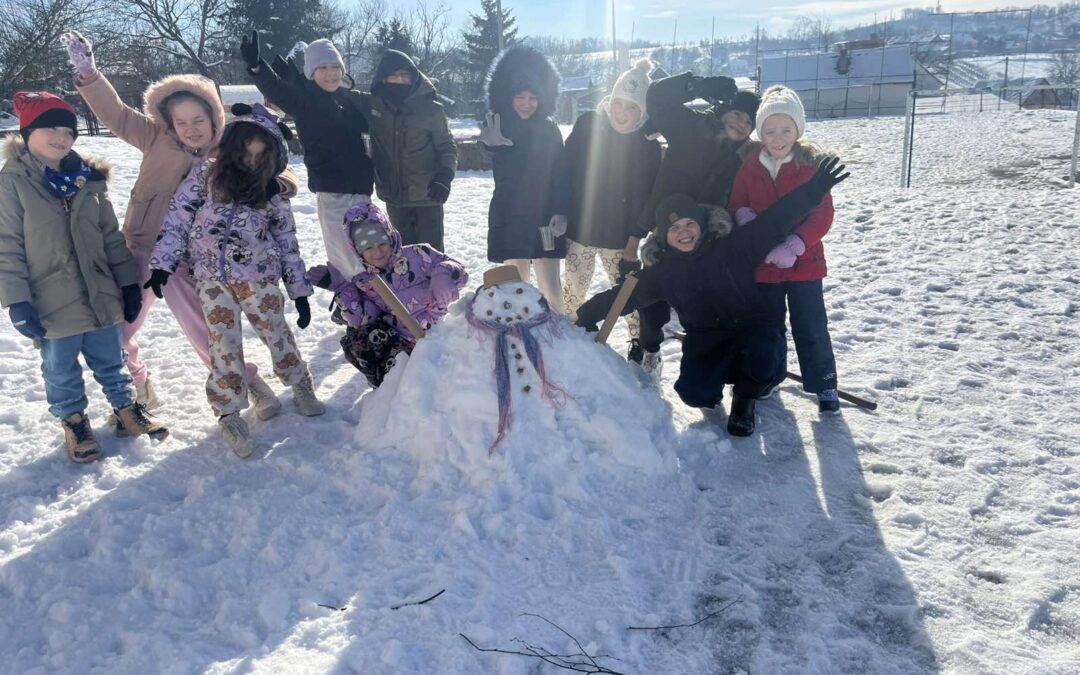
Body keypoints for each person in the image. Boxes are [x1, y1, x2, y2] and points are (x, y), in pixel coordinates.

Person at [63, 30, 299, 418]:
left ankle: (247, 380)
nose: (191, 128)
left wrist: (279, 183)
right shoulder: (154, 138)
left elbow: (268, 163)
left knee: (206, 330)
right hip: (141, 246)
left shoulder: (225, 152)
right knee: (120, 324)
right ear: (168, 122)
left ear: (214, 119)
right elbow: (116, 112)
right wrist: (89, 73)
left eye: (199, 120)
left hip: (190, 260)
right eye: (181, 121)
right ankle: (138, 383)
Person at [575, 159, 848, 437]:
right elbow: (623, 297)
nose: (684, 232)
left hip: (753, 331)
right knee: (693, 393)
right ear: (663, 236)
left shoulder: (734, 246)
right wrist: (584, 315)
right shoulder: (663, 272)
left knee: (766, 360)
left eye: (689, 223)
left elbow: (776, 220)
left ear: (702, 224)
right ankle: (717, 391)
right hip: (707, 339)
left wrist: (813, 190)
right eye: (675, 228)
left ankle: (745, 399)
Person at [0, 92, 168, 462]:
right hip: (50, 298)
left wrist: (127, 282)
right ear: (28, 131)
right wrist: (17, 299)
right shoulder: (12, 183)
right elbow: (6, 247)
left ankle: (126, 410)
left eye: (69, 130)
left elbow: (110, 236)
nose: (62, 137)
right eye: (51, 128)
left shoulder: (88, 180)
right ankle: (74, 421)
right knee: (60, 368)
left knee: (111, 357)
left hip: (100, 292)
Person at [149, 104, 323, 458]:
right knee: (223, 346)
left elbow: (287, 241)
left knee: (276, 332)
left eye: (260, 156)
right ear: (232, 147)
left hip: (259, 278)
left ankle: (299, 382)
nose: (251, 161)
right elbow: (178, 220)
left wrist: (299, 290)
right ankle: (228, 413)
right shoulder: (205, 177)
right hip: (212, 279)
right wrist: (162, 264)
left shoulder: (271, 192)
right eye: (245, 151)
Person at [632, 71, 762, 371]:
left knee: (704, 301)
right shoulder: (690, 126)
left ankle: (713, 358)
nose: (741, 124)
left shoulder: (741, 156)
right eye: (738, 113)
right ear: (723, 110)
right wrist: (696, 85)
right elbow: (657, 99)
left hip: (707, 239)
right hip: (667, 231)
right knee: (653, 300)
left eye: (749, 122)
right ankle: (651, 347)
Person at [728, 85, 841, 414]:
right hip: (765, 265)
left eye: (786, 130)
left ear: (798, 131)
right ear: (761, 132)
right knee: (770, 325)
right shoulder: (749, 165)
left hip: (805, 264)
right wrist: (748, 222)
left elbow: (823, 213)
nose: (778, 138)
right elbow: (738, 202)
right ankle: (769, 375)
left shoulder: (811, 167)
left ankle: (824, 382)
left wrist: (796, 243)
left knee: (811, 324)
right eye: (771, 131)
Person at [240, 32, 375, 280]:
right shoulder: (306, 102)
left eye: (335, 66)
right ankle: (353, 308)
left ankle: (372, 306)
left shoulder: (348, 99)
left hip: (363, 192)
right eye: (322, 67)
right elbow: (280, 92)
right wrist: (258, 68)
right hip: (334, 194)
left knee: (369, 255)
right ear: (312, 72)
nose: (330, 72)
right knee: (345, 259)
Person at [561, 59, 661, 359]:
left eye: (632, 107)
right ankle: (567, 337)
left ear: (642, 112)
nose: (623, 113)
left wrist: (633, 241)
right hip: (580, 232)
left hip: (622, 240)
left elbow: (647, 197)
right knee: (572, 294)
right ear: (610, 101)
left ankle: (640, 347)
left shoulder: (647, 144)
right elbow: (565, 171)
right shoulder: (588, 125)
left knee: (629, 296)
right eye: (619, 103)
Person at [307, 202, 467, 388]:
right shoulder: (364, 281)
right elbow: (362, 319)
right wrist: (342, 289)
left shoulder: (419, 254)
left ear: (391, 237)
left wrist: (443, 274)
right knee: (357, 340)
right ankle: (392, 389)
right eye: (368, 248)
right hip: (404, 342)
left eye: (382, 243)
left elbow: (458, 271)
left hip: (444, 333)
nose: (377, 252)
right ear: (358, 251)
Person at [479, 45, 568, 313]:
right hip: (510, 215)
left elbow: (562, 174)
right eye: (520, 97)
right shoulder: (498, 124)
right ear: (509, 97)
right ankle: (520, 330)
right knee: (515, 285)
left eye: (532, 97)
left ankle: (560, 332)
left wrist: (562, 211)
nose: (526, 103)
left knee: (550, 285)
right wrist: (491, 146)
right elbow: (488, 147)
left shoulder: (550, 130)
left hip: (545, 217)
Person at [345, 49, 458, 251]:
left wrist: (444, 177)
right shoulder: (373, 103)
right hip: (393, 195)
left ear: (413, 77)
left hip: (428, 195)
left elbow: (447, 147)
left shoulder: (431, 109)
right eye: (393, 75)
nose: (399, 80)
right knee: (401, 255)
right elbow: (337, 93)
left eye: (404, 75)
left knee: (431, 254)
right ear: (383, 78)